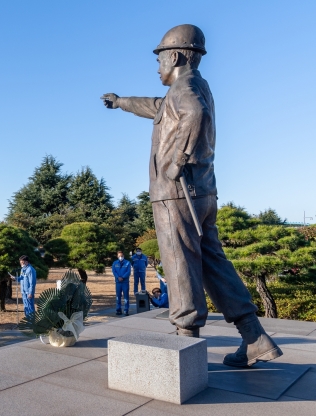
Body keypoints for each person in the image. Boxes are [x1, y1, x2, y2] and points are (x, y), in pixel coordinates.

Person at [101, 24, 282, 367]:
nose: (157, 68)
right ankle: (255, 336)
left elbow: (194, 114)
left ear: (176, 55)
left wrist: (176, 161)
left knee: (178, 259)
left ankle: (185, 336)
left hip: (177, 193)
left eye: (159, 59)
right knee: (213, 263)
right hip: (201, 192)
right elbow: (156, 106)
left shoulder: (185, 88)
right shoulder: (192, 87)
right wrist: (122, 102)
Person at [112, 251, 131, 316]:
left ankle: (126, 310)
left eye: (122, 256)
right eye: (119, 256)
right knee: (118, 296)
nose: (120, 257)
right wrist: (118, 277)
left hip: (125, 282)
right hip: (118, 282)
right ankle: (118, 309)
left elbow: (128, 272)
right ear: (117, 256)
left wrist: (123, 277)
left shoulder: (127, 263)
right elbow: (114, 271)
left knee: (126, 297)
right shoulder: (115, 263)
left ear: (123, 256)